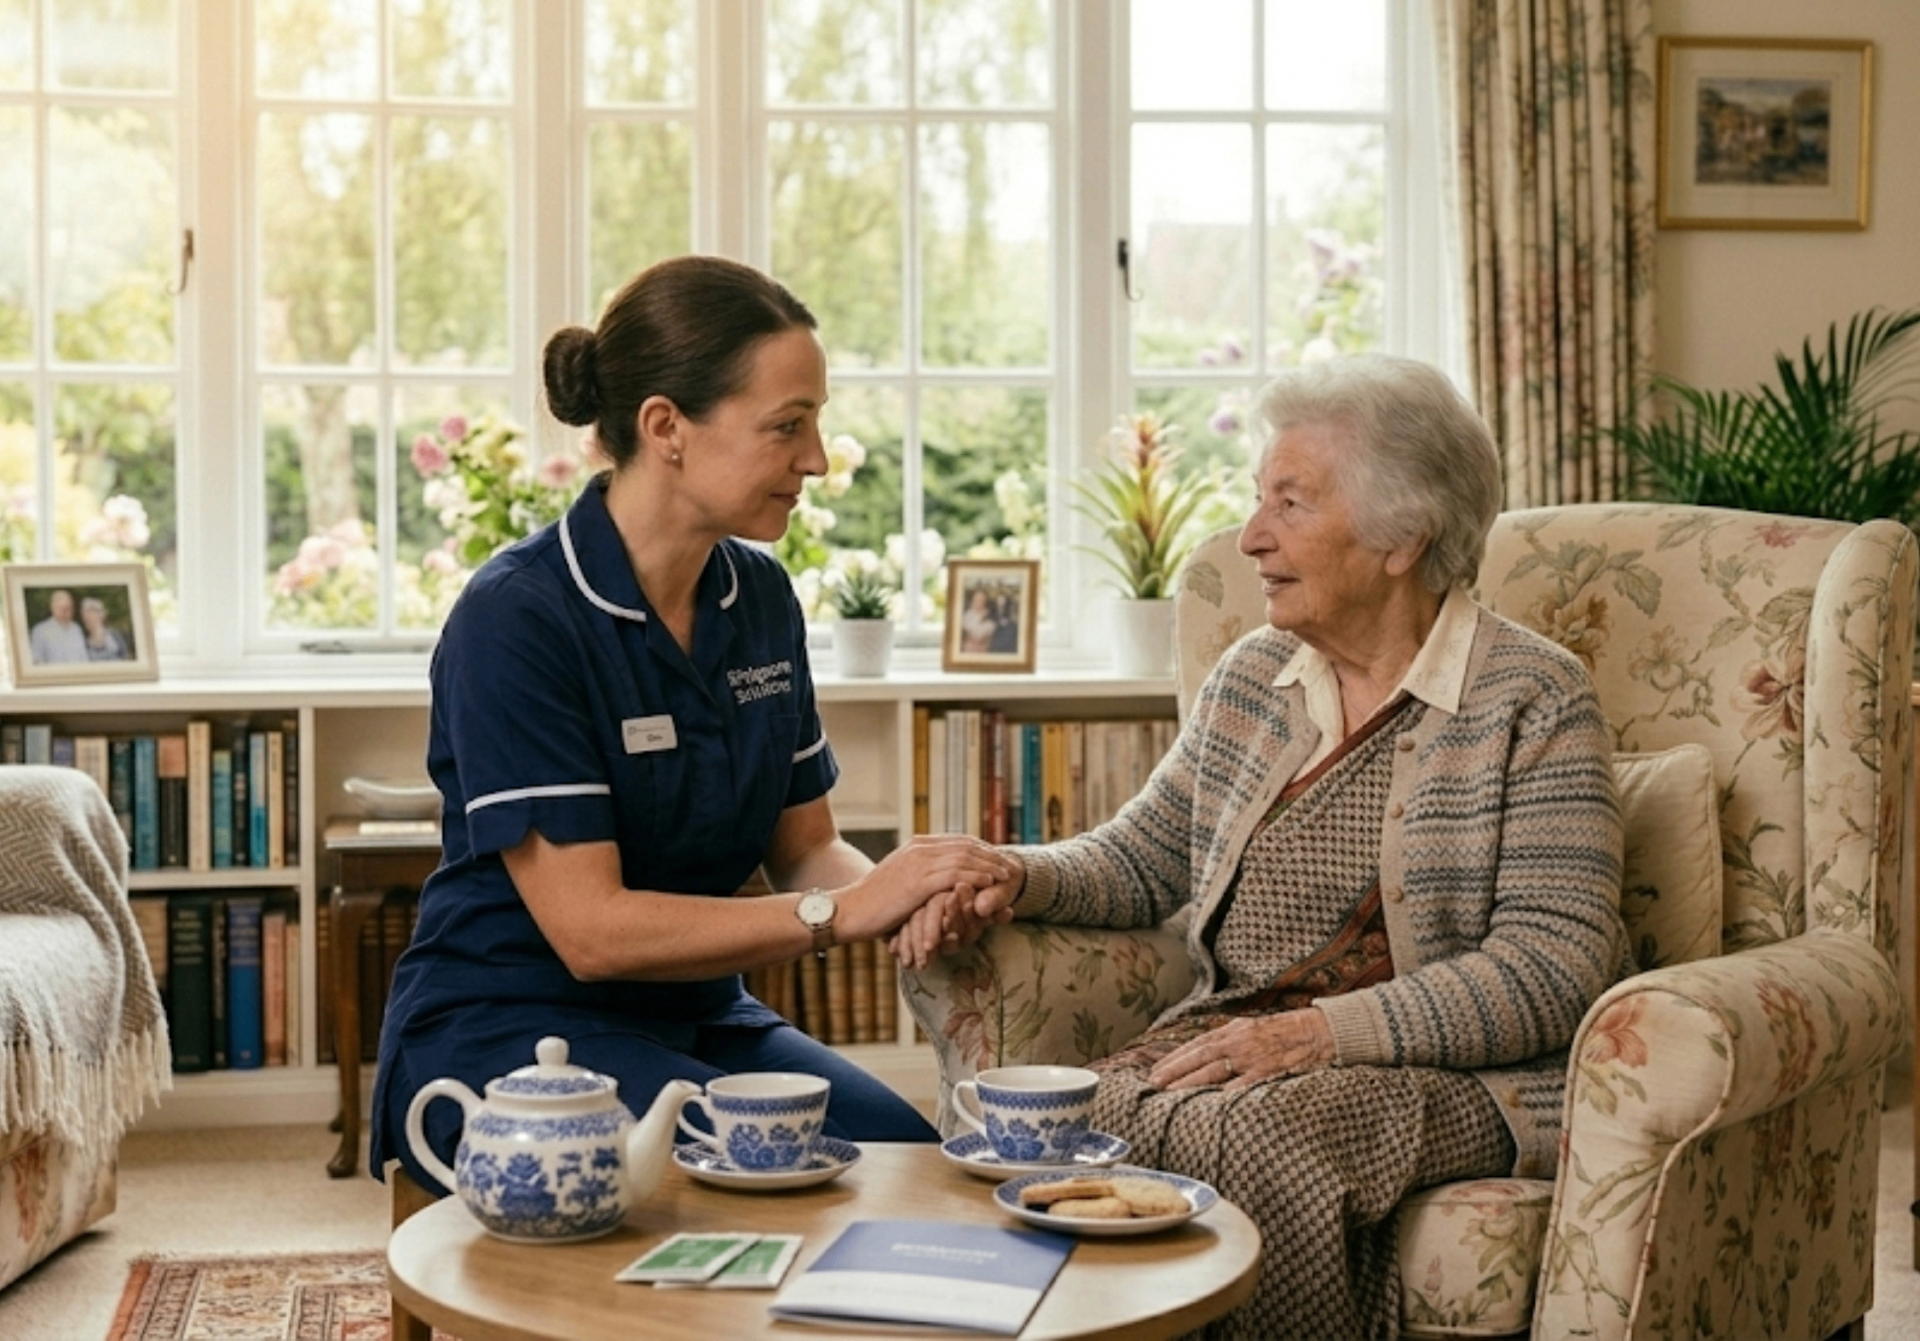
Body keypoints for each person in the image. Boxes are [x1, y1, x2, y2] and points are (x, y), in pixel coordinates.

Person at [897, 355, 1629, 1339]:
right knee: (1066, 1122)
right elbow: (1146, 858)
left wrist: (1320, 1035)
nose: (1251, 537)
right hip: (1238, 1043)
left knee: (1258, 1138)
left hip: (1458, 1075)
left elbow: (1553, 966)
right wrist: (1013, 872)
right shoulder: (1257, 676)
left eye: (1291, 502)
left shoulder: (1532, 696)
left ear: (1404, 535)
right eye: (1258, 499)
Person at [370, 255, 1019, 1194]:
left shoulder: (759, 597)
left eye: (817, 422)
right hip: (513, 1028)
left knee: (913, 1172)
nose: (817, 458)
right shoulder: (517, 616)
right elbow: (592, 931)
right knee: (774, 1187)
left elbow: (807, 850)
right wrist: (845, 913)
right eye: (788, 425)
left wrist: (909, 898)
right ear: (666, 427)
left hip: (704, 1019)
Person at [27, 588, 87, 664]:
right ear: (52, 608)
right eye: (61, 608)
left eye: (68, 608)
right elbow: (37, 660)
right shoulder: (40, 631)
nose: (64, 612)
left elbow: (84, 658)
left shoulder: (77, 629)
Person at [79, 596, 131, 661]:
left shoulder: (114, 635)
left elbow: (127, 657)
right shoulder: (85, 643)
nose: (89, 618)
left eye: (93, 614)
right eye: (86, 615)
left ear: (101, 615)